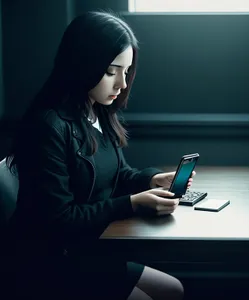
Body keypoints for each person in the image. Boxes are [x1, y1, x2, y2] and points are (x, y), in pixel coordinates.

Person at [6, 10, 195, 300]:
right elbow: (59, 219)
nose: (121, 85)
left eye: (126, 71)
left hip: (91, 249)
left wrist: (154, 179)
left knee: (173, 290)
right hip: (52, 261)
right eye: (111, 72)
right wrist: (131, 204)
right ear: (83, 65)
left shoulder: (96, 111)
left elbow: (117, 174)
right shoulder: (48, 127)